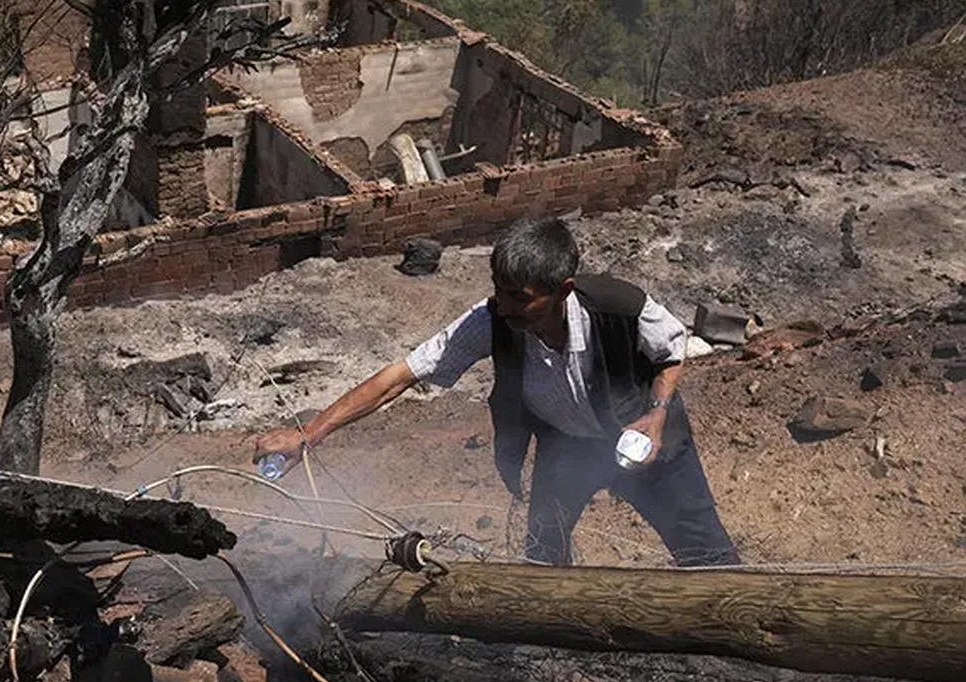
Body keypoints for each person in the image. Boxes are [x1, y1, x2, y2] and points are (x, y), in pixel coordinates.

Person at [252, 217, 740, 567]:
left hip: (648, 445)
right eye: (499, 290)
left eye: (520, 298)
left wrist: (654, 418)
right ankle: (555, 643)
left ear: (563, 289)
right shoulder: (490, 321)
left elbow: (671, 354)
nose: (504, 307)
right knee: (544, 556)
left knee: (705, 551)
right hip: (566, 449)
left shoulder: (620, 306)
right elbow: (400, 376)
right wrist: (309, 433)